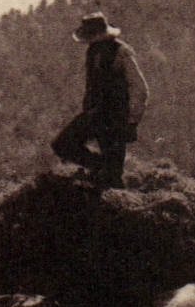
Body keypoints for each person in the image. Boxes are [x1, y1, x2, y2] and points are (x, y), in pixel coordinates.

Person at [50, 12, 149, 187]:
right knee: (62, 144)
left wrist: (132, 120)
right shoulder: (93, 52)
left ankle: (107, 174)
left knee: (113, 177)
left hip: (115, 118)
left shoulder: (121, 52)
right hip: (95, 115)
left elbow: (140, 89)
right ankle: (100, 167)